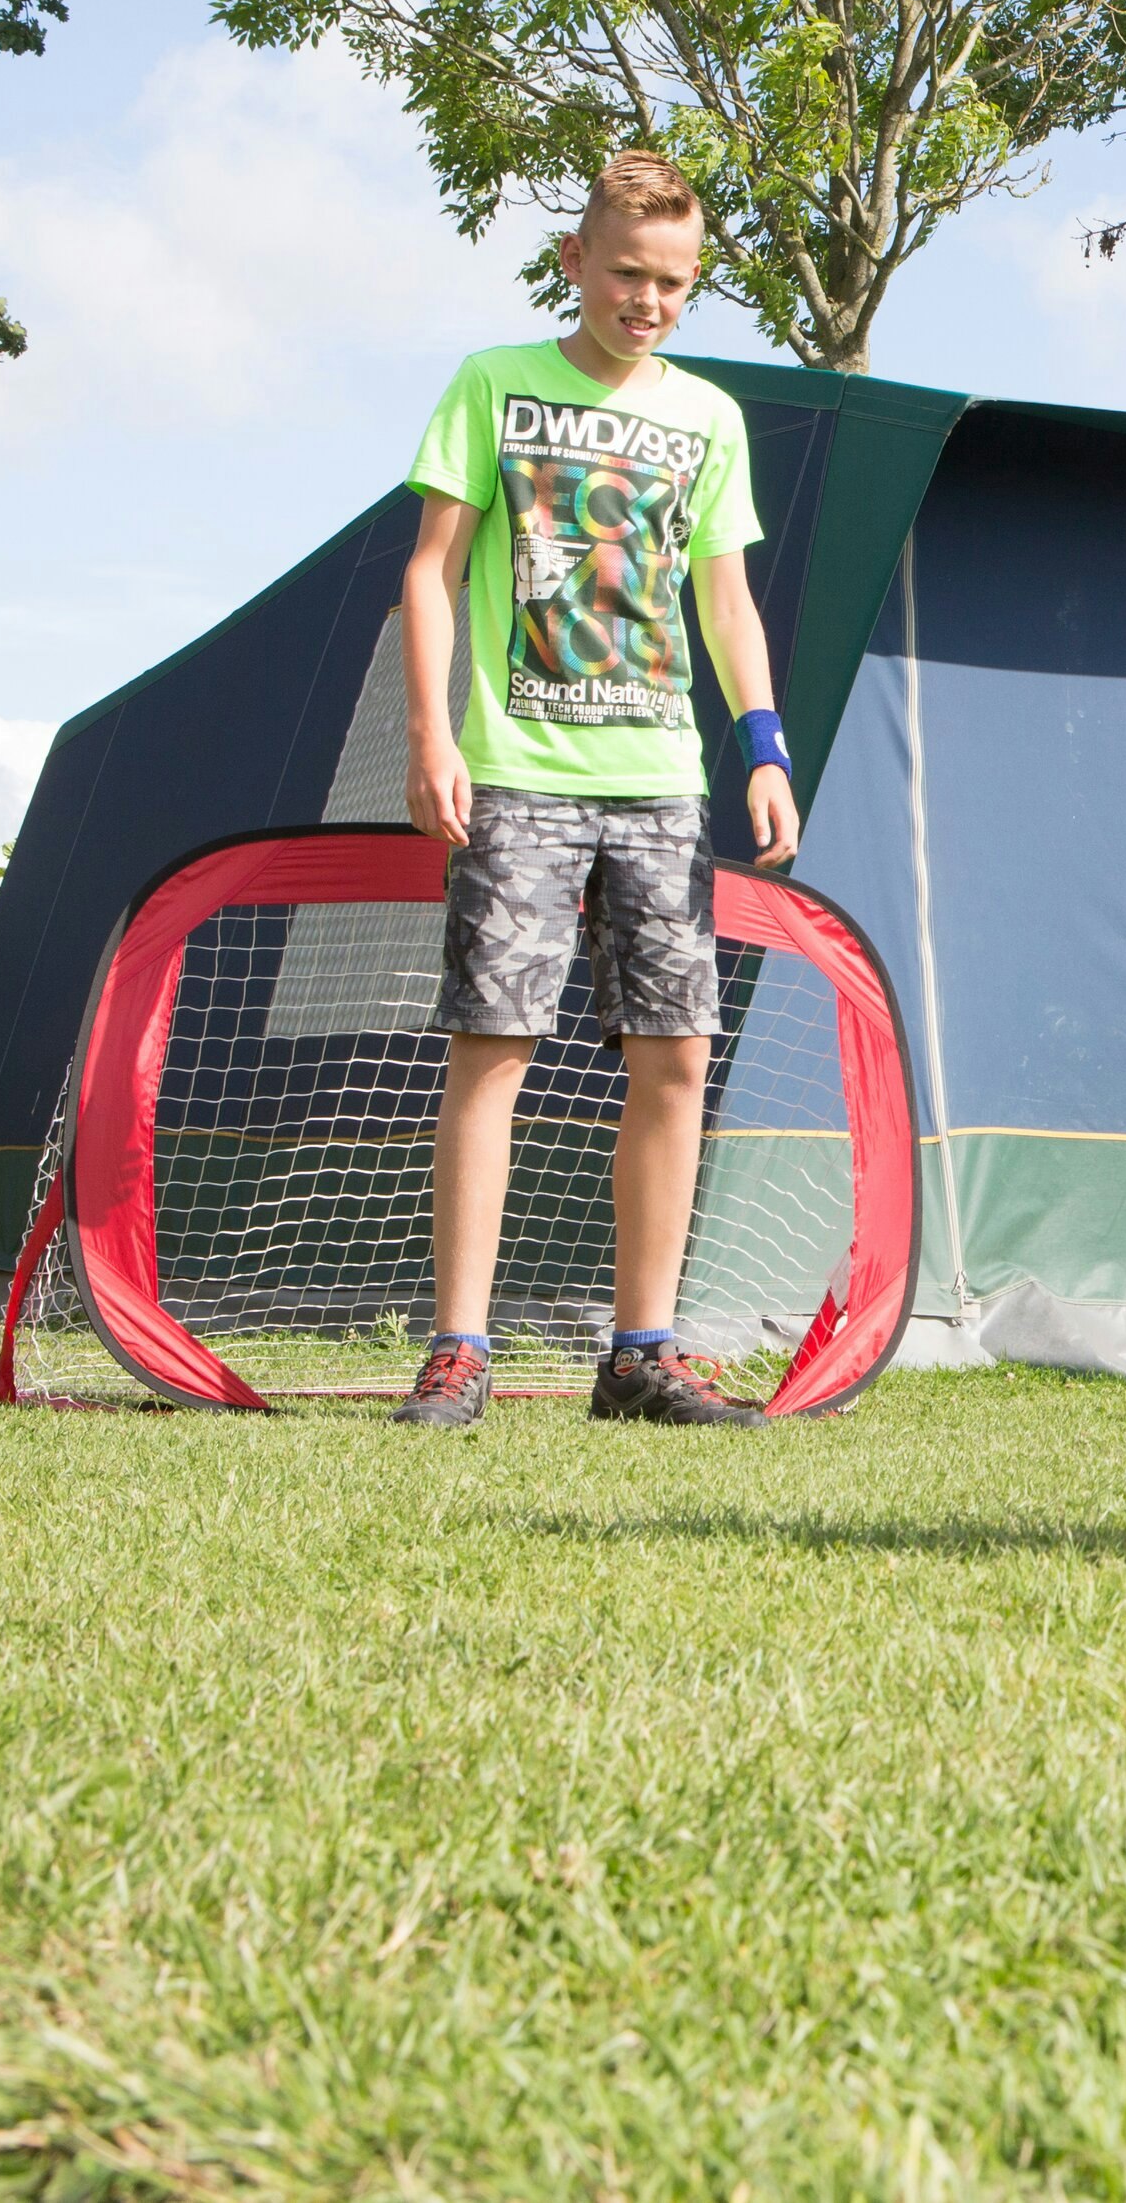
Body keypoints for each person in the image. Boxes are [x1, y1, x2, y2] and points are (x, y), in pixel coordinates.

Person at [388, 150, 803, 1429]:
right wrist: (432, 734)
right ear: (575, 261)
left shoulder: (709, 419)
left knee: (675, 1054)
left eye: (675, 282)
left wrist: (766, 743)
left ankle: (639, 1356)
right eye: (628, 272)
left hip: (662, 783)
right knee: (495, 1048)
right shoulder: (492, 384)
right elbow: (431, 572)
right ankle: (460, 1349)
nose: (649, 299)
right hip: (517, 773)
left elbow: (725, 597)